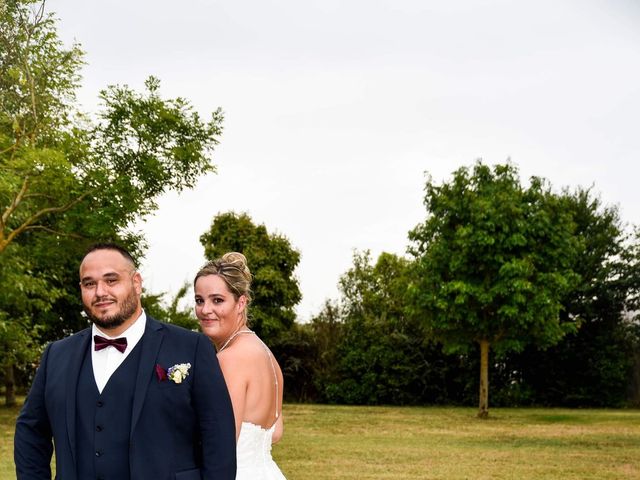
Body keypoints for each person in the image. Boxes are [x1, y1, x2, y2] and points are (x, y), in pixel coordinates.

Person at [14, 242, 237, 480]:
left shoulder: (191, 348)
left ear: (137, 283)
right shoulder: (56, 355)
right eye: (89, 283)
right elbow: (31, 432)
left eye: (111, 280)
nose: (100, 292)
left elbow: (218, 439)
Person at [194, 252, 287, 480]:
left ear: (241, 302)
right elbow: (275, 433)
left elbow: (221, 443)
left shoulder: (230, 358)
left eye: (217, 300)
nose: (205, 310)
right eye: (199, 300)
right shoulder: (266, 354)